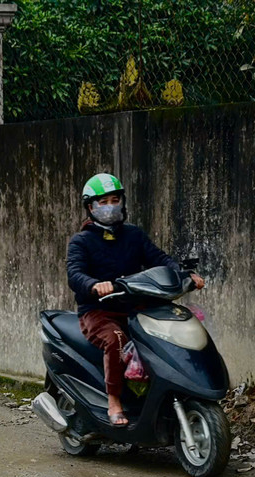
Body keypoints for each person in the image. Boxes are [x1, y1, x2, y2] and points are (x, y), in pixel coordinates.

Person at [66, 173, 204, 426]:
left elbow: (159, 259)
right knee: (116, 339)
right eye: (102, 202)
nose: (110, 206)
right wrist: (94, 285)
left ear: (122, 202)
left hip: (137, 306)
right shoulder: (81, 241)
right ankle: (114, 401)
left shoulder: (133, 235)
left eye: (114, 200)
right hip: (99, 312)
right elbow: (75, 274)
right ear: (90, 208)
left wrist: (184, 275)